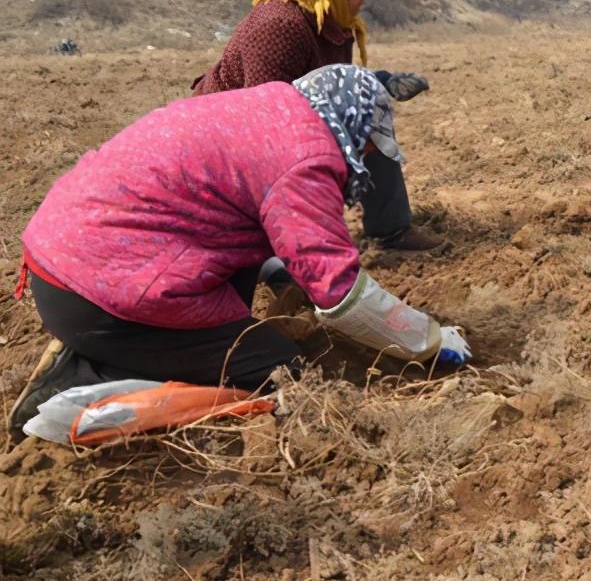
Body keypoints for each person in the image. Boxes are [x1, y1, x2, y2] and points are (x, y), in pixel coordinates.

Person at [9, 65, 470, 433]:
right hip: (98, 293)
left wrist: (285, 270)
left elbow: (233, 206)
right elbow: (342, 294)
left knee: (254, 277)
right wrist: (426, 342)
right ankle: (89, 388)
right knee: (282, 374)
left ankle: (113, 346)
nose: (369, 155)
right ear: (352, 123)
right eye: (371, 142)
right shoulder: (306, 160)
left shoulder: (273, 109)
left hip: (67, 260)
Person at [192, 0, 441, 252]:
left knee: (369, 115)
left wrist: (380, 82)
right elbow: (265, 112)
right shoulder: (279, 24)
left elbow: (332, 82)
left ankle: (390, 228)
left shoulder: (330, 18)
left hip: (287, 112)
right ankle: (287, 250)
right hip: (229, 130)